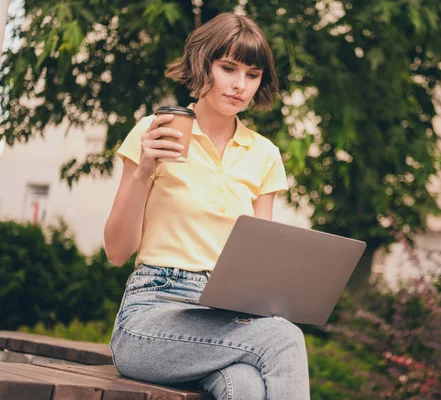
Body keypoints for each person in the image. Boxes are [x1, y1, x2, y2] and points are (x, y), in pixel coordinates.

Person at [104, 12, 310, 400]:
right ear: (204, 64)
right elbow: (116, 252)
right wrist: (144, 171)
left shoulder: (264, 154)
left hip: (224, 317)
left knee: (246, 387)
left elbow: (258, 264)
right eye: (228, 68)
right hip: (151, 313)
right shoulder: (155, 131)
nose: (239, 85)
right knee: (284, 338)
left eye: (253, 74)